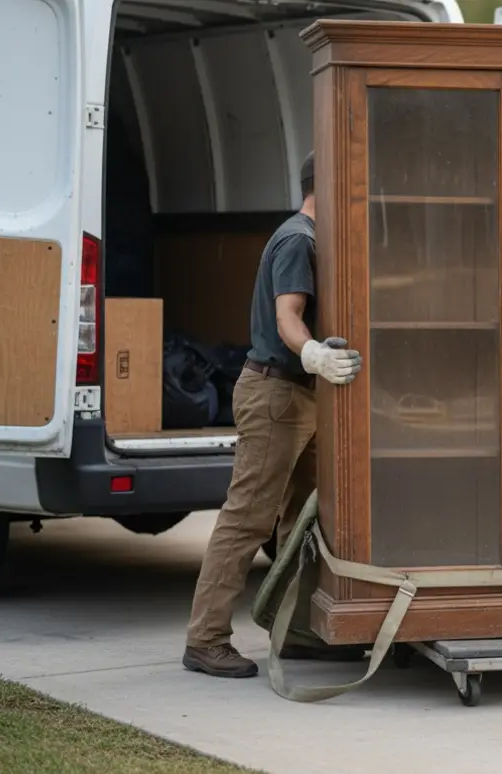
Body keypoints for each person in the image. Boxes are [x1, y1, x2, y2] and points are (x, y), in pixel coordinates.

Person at [182, 152, 364, 678]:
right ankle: (206, 639)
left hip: (302, 396)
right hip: (277, 395)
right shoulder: (298, 240)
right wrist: (314, 354)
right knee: (249, 517)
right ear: (324, 186)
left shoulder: (310, 239)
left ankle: (294, 632)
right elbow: (289, 317)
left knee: (304, 517)